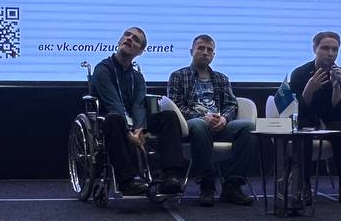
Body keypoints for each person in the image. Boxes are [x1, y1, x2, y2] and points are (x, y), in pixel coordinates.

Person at [91, 26, 185, 196]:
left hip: (134, 122)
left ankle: (171, 176)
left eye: (135, 39)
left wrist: (139, 129)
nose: (129, 39)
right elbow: (113, 103)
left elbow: (138, 105)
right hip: (111, 120)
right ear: (120, 41)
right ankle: (128, 180)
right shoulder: (102, 69)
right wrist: (129, 132)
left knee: (169, 117)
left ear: (140, 51)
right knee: (114, 118)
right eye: (127, 35)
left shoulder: (137, 77)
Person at [167, 35, 256, 206]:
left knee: (248, 127)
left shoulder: (221, 78)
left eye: (209, 50)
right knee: (200, 125)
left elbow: (231, 104)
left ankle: (232, 185)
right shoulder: (178, 76)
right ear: (191, 51)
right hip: (192, 125)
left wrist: (224, 118)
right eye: (201, 48)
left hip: (220, 125)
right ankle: (207, 185)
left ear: (213, 55)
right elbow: (176, 106)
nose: (205, 53)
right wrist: (202, 117)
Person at [289, 31, 341, 204]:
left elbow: (339, 110)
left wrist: (337, 87)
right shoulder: (300, 73)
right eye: (325, 48)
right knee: (303, 131)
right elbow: (297, 109)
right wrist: (309, 88)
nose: (330, 53)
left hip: (331, 119)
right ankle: (304, 185)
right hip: (307, 118)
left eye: (335, 49)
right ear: (315, 49)